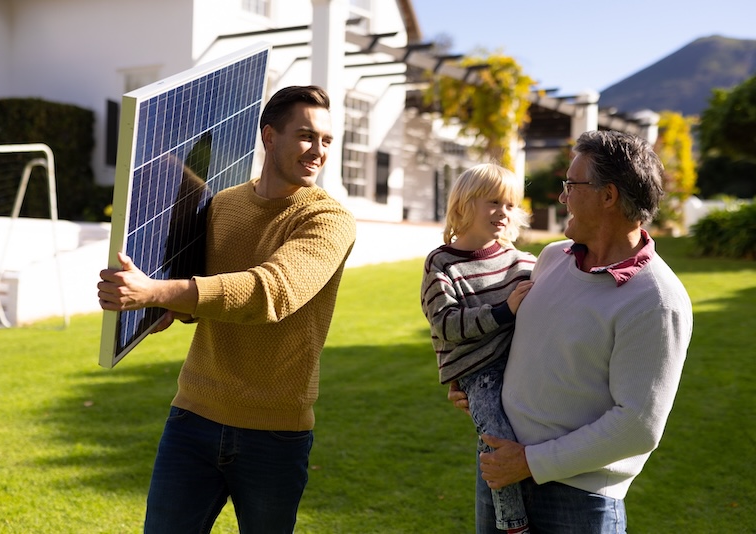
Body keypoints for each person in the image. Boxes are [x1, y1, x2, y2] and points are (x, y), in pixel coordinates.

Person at [97, 85, 357, 534]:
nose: (318, 151)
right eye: (306, 136)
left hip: (275, 433)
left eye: (326, 140)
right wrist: (165, 310)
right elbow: (207, 293)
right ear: (269, 136)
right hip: (192, 417)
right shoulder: (223, 205)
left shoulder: (328, 220)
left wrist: (158, 293)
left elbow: (269, 293)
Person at [450, 130, 693, 532]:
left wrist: (529, 462)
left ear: (608, 196)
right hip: (501, 467)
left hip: (578, 497)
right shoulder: (551, 259)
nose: (562, 197)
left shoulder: (657, 299)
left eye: (570, 185)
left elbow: (638, 425)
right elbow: (532, 346)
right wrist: (476, 380)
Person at [421, 163, 536, 534]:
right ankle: (512, 523)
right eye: (493, 202)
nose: (503, 213)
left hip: (520, 367)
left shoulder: (521, 263)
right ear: (464, 204)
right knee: (498, 440)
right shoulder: (442, 264)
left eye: (509, 205)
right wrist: (505, 311)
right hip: (479, 375)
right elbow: (446, 324)